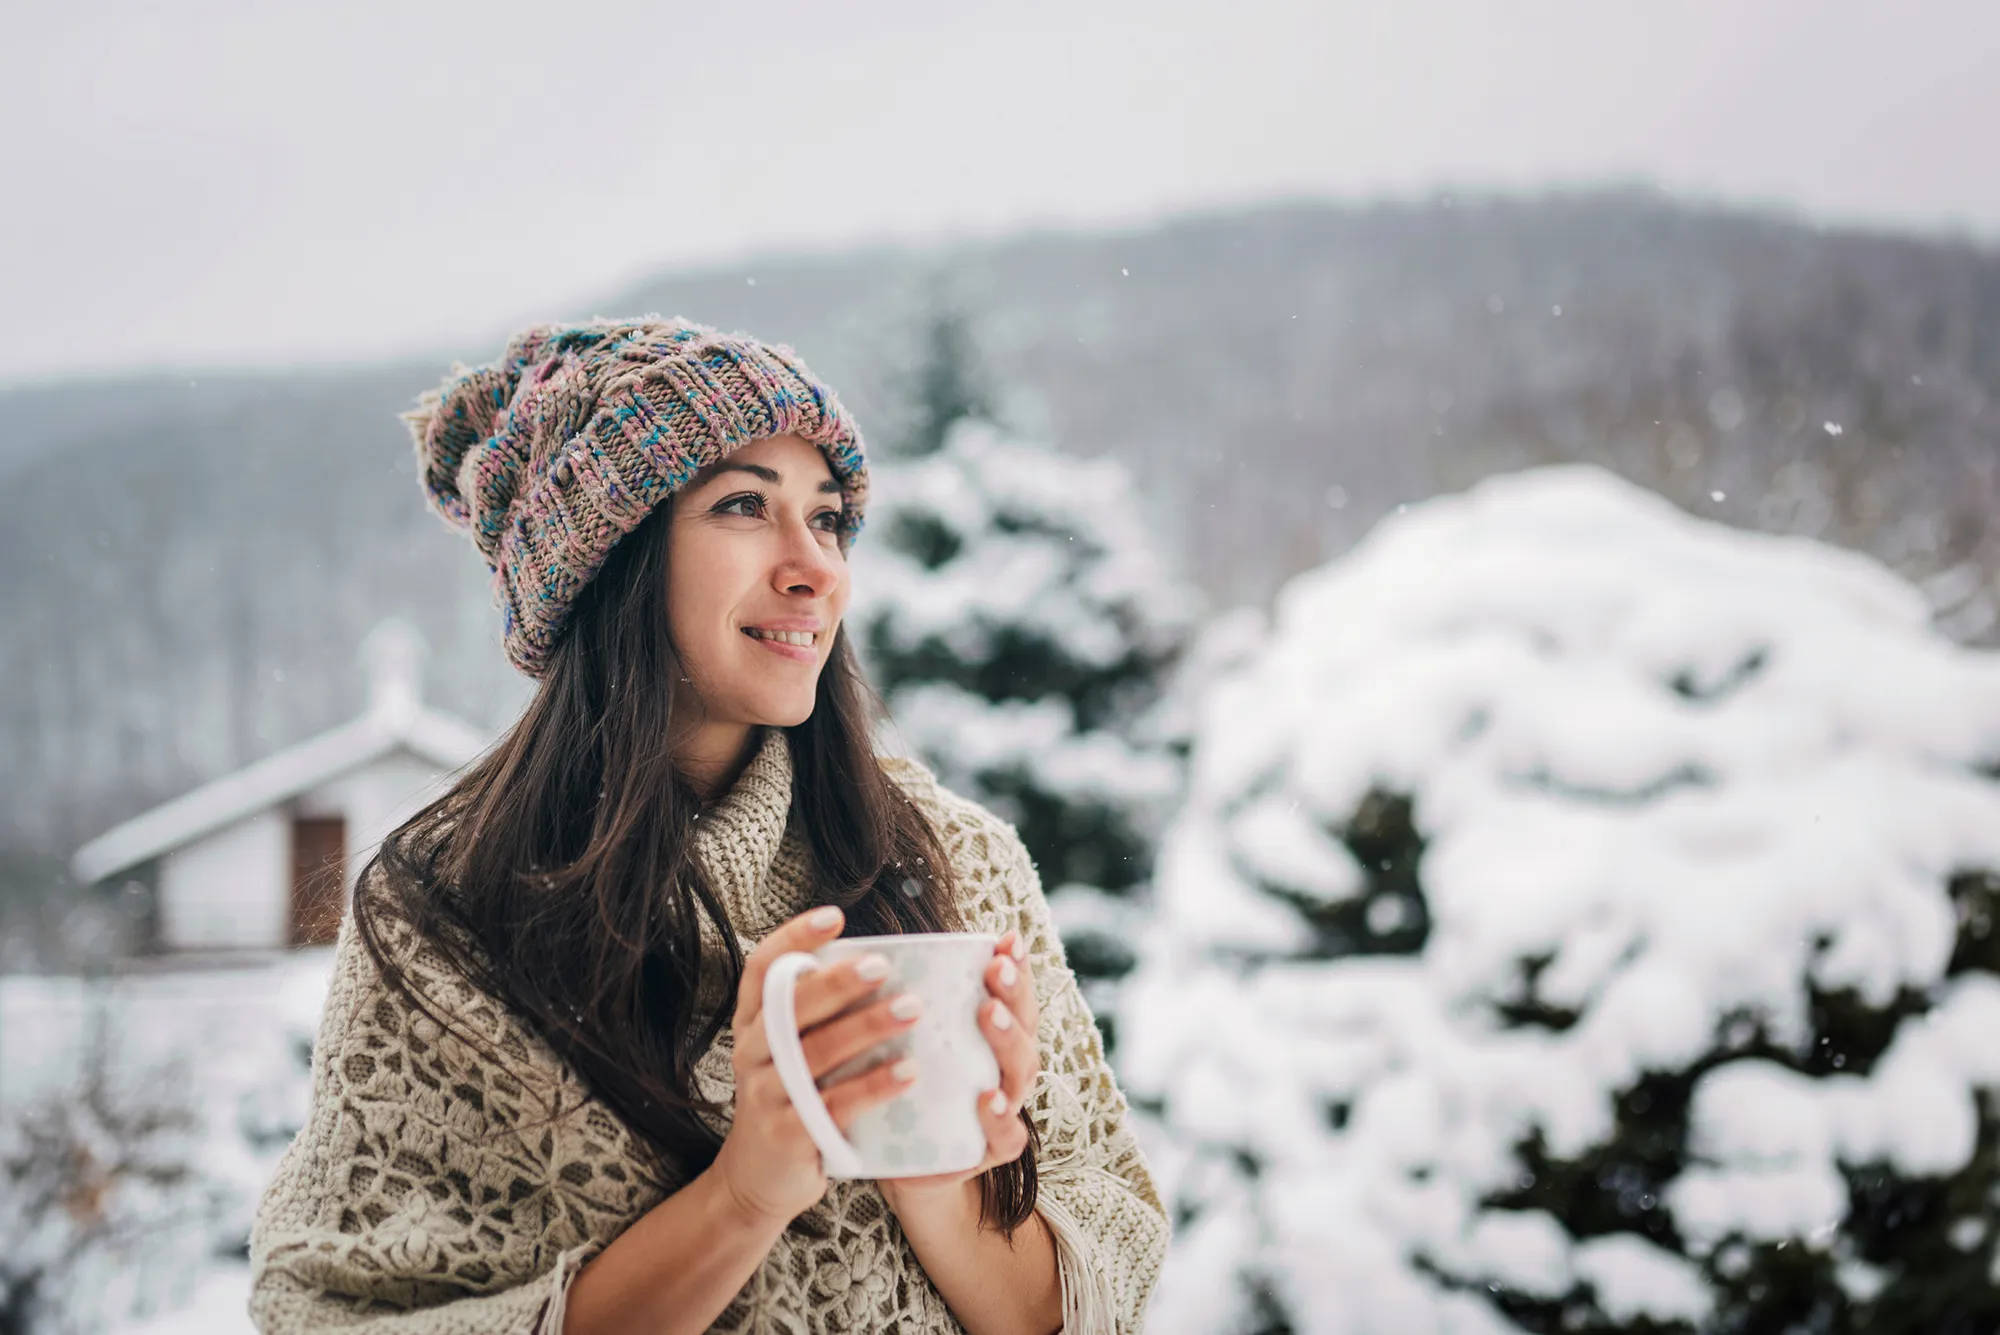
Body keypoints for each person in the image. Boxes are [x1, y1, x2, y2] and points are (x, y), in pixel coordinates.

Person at [246, 318, 1168, 1334]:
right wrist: (744, 1195)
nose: (813, 567)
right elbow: (339, 1317)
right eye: (742, 506)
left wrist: (940, 1185)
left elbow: (1074, 1309)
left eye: (827, 519)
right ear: (611, 561)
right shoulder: (445, 915)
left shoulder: (958, 862)